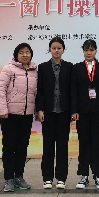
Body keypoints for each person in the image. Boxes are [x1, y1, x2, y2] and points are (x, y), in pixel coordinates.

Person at [0, 43, 38, 193]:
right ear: (16, 55)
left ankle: (19, 176)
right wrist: (3, 110)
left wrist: (36, 111)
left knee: (22, 147)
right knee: (9, 147)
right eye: (21, 52)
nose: (25, 55)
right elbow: (0, 90)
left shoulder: (34, 71)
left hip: (26, 115)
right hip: (10, 115)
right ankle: (9, 178)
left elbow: (36, 93)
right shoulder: (8, 69)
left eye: (27, 52)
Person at [70, 39, 99, 189]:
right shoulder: (77, 68)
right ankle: (84, 176)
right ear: (83, 51)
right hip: (82, 112)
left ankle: (98, 176)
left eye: (91, 50)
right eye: (86, 50)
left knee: (98, 143)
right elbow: (73, 90)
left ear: (96, 51)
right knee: (84, 143)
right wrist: (74, 110)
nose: (89, 52)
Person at [36, 36, 73, 189]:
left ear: (63, 49)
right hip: (48, 112)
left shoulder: (69, 67)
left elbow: (72, 91)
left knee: (63, 145)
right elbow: (39, 90)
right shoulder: (43, 67)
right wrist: (39, 109)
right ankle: (47, 178)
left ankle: (61, 178)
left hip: (64, 112)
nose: (56, 50)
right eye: (54, 48)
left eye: (59, 48)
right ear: (50, 50)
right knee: (48, 145)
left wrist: (73, 111)